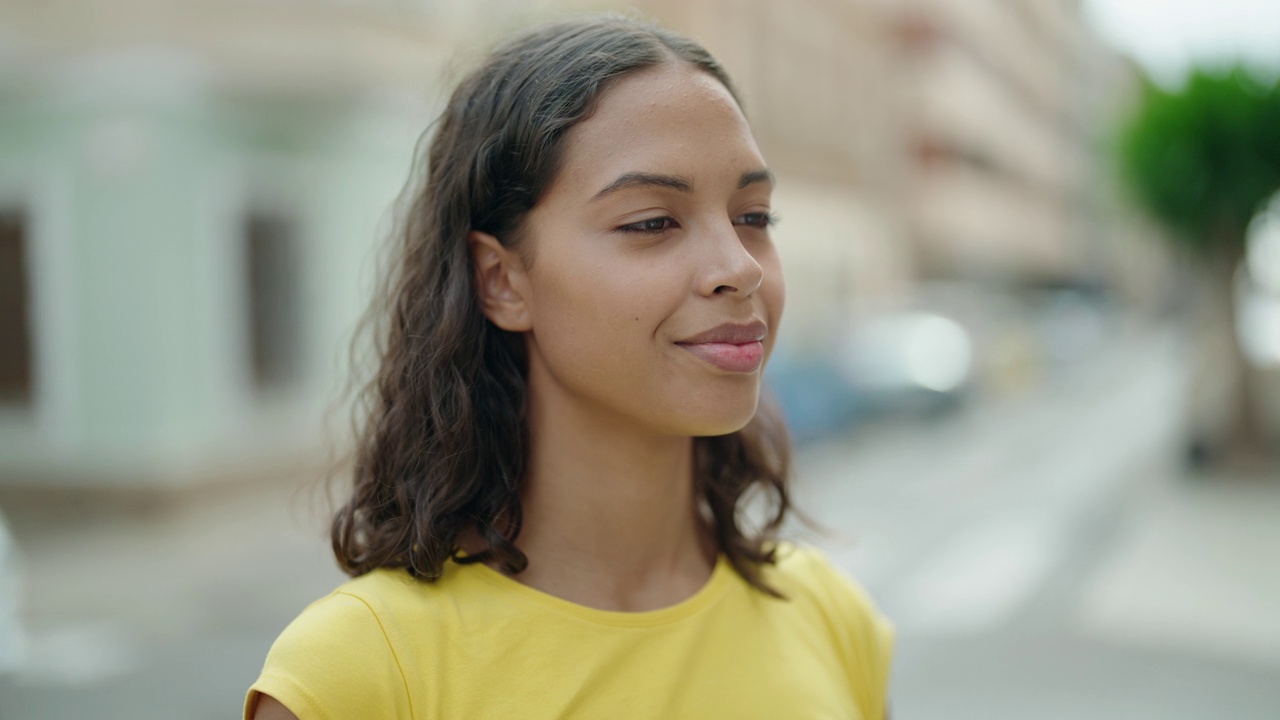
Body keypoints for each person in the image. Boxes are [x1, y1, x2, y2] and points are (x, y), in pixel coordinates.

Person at [245, 14, 893, 720]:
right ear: (501, 281)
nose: (738, 267)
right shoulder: (362, 672)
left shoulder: (832, 619)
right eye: (652, 222)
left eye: (754, 217)